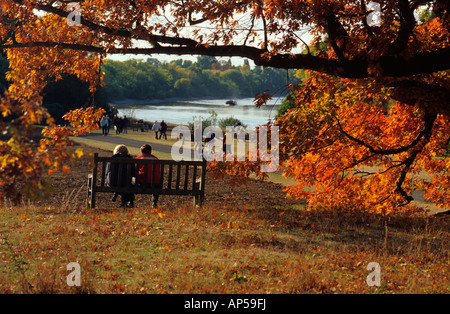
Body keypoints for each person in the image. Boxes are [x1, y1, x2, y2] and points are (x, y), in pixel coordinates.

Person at [136, 144, 161, 208]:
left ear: (142, 151)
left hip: (141, 183)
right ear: (150, 151)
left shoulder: (138, 159)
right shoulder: (156, 159)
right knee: (157, 179)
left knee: (131, 179)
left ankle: (130, 201)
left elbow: (134, 171)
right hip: (155, 184)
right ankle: (154, 202)